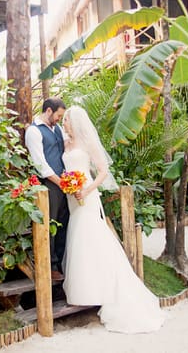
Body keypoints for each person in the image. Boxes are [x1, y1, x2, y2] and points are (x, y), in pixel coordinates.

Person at [60, 105, 165, 334]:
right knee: (77, 238)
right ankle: (84, 290)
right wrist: (70, 185)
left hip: (87, 194)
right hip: (72, 196)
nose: (64, 123)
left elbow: (103, 170)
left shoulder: (87, 143)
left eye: (66, 119)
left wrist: (87, 190)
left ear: (76, 122)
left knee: (90, 236)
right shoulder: (66, 143)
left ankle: (105, 288)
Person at [25, 97, 69, 280]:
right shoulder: (34, 131)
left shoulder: (57, 129)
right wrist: (59, 182)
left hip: (65, 184)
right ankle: (50, 266)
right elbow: (40, 163)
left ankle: (61, 263)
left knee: (63, 224)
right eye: (58, 115)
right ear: (49, 111)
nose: (60, 119)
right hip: (49, 185)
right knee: (50, 225)